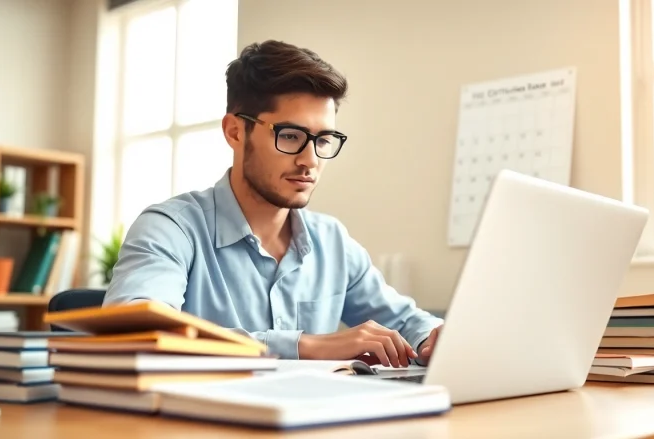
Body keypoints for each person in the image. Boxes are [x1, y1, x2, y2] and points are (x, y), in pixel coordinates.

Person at [103, 40, 444, 368]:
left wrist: (433, 337)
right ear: (235, 132)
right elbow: (136, 334)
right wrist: (306, 346)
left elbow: (404, 320)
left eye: (324, 139)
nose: (309, 160)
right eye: (291, 136)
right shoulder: (171, 228)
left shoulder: (332, 241)